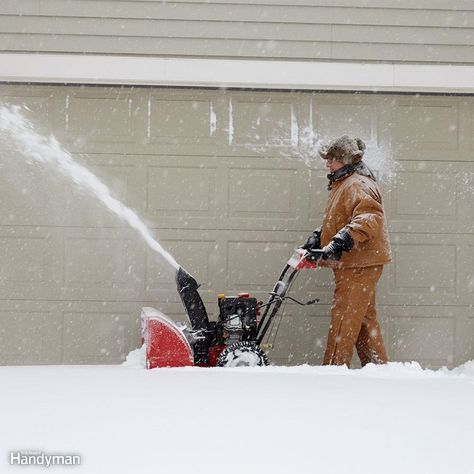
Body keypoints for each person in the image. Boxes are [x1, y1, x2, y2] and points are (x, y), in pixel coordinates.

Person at [302, 135, 391, 367]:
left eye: (332, 159)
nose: (328, 163)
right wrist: (319, 237)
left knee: (343, 320)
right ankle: (378, 369)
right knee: (362, 321)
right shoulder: (344, 183)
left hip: (358, 265)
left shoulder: (356, 184)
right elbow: (342, 218)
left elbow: (369, 217)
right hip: (358, 263)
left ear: (345, 159)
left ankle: (333, 372)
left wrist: (343, 239)